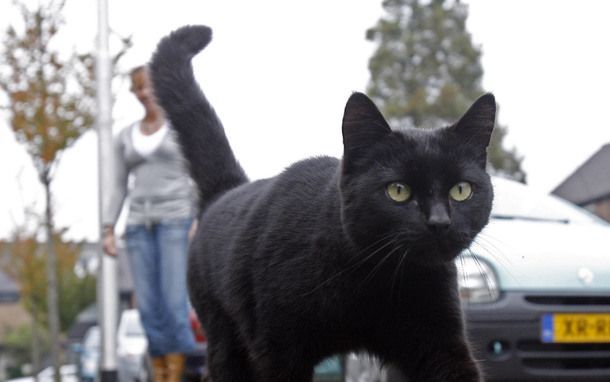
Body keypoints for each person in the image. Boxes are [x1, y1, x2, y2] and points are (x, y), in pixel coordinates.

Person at [102, 65, 198, 382]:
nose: (144, 93)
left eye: (148, 86)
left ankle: (181, 372)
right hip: (137, 226)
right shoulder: (125, 136)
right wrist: (107, 227)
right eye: (138, 88)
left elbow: (195, 174)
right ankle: (160, 372)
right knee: (148, 311)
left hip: (175, 221)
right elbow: (117, 185)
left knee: (173, 305)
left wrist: (199, 217)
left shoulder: (181, 128)